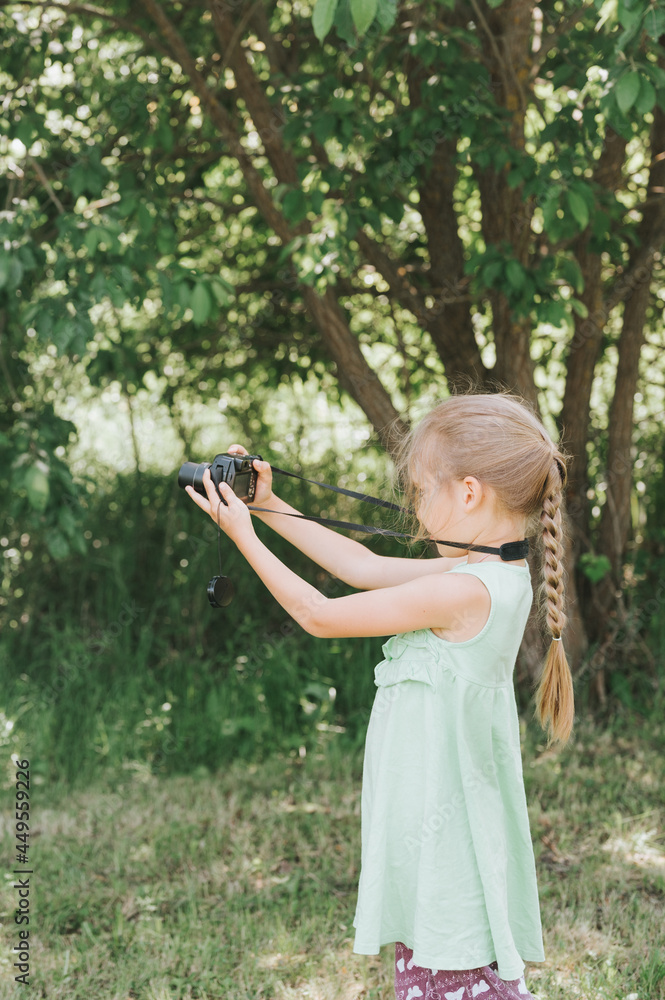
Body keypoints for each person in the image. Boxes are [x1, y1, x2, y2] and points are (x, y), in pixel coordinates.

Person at [185, 391, 574, 1000]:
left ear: (468, 493)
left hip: (447, 839)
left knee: (452, 975)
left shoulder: (467, 590)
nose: (417, 509)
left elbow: (318, 613)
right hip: (437, 825)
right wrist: (268, 506)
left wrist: (242, 536)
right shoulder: (488, 570)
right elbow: (361, 567)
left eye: (421, 491)